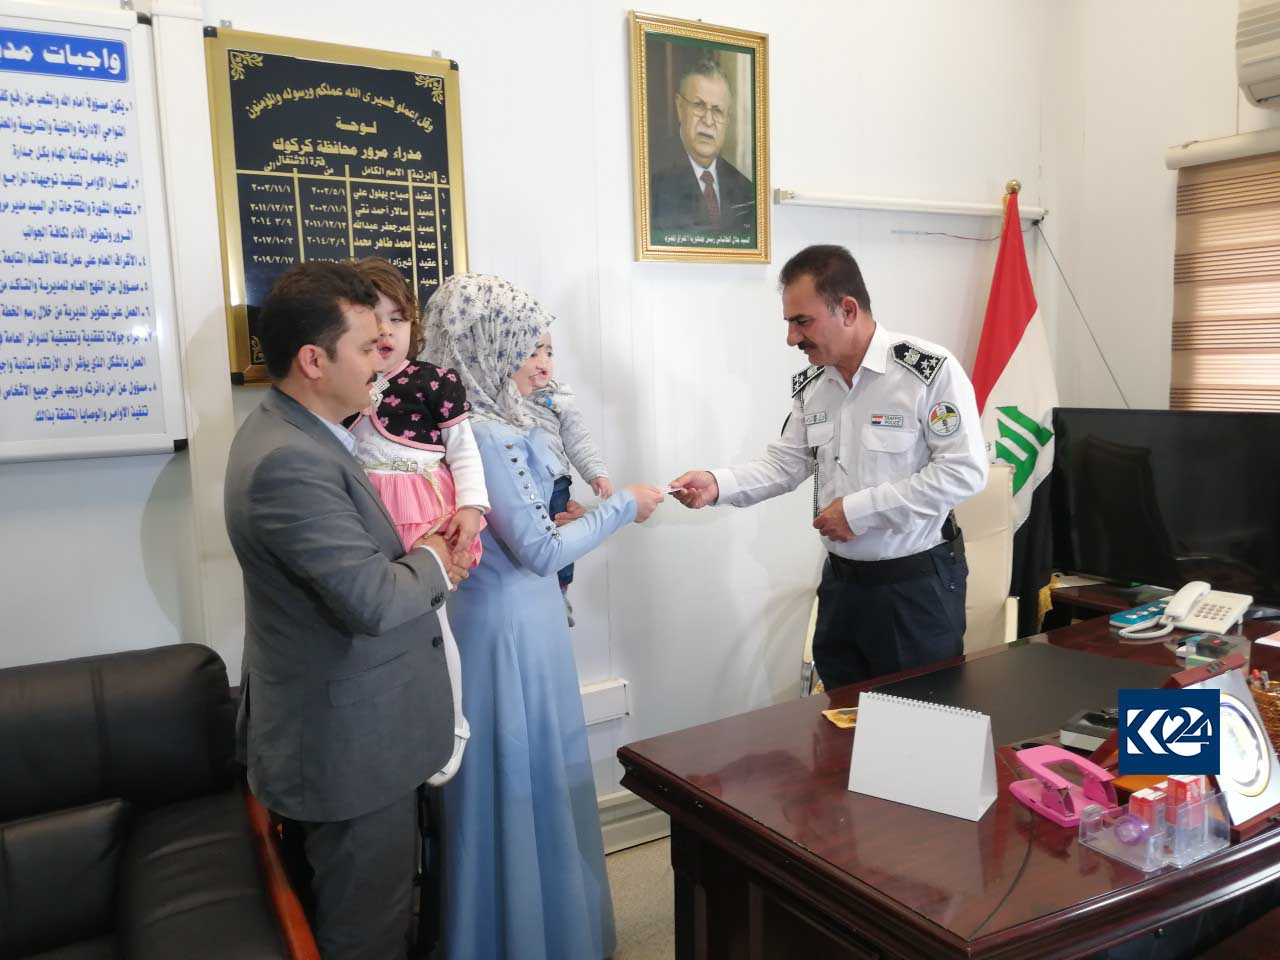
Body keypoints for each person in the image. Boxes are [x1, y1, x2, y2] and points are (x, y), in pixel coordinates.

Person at [224, 260, 472, 960]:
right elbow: (372, 599)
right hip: (345, 751)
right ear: (314, 360)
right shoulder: (288, 462)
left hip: (355, 733)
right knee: (365, 932)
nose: (381, 361)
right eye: (365, 347)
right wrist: (434, 557)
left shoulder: (301, 434)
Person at [421, 273, 664, 960]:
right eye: (524, 344)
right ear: (488, 346)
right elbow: (539, 550)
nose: (536, 358)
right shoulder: (486, 432)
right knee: (519, 779)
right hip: (510, 630)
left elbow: (523, 528)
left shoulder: (463, 424)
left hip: (496, 618)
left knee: (512, 779)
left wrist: (574, 516)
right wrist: (623, 505)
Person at [670, 244, 987, 689]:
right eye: (789, 323)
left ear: (848, 310)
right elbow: (785, 464)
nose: (792, 338)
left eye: (802, 322)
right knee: (838, 719)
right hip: (842, 587)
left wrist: (859, 511)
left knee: (919, 720)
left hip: (913, 588)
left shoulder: (927, 372)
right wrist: (716, 484)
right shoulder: (814, 385)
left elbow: (963, 472)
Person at [346, 256, 488, 785]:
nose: (386, 331)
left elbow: (464, 452)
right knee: (378, 627)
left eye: (397, 318)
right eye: (372, 319)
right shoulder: (345, 384)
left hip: (422, 513)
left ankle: (450, 722)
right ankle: (392, 724)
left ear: (415, 325)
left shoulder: (435, 382)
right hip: (364, 513)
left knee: (432, 624)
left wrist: (471, 507)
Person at [523, 330, 613, 626]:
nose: (543, 361)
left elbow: (578, 439)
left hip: (556, 482)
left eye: (548, 352)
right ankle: (534, 597)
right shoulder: (502, 396)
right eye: (532, 353)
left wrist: (595, 472)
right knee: (530, 542)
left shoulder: (558, 397)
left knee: (560, 534)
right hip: (521, 482)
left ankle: (560, 593)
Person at [649, 56, 754, 235]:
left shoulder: (745, 190)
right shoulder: (651, 178)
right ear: (680, 107)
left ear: (727, 120)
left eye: (717, 111)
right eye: (699, 105)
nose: (708, 121)